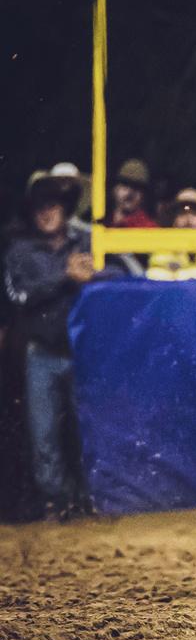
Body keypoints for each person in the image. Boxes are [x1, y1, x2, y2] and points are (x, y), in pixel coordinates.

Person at [4, 170, 94, 518]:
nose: (46, 212)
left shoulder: (86, 242)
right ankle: (57, 503)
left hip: (82, 355)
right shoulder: (19, 251)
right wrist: (65, 277)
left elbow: (118, 273)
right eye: (40, 206)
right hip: (40, 353)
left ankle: (89, 500)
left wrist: (93, 276)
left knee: (87, 431)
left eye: (53, 205)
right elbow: (20, 295)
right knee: (44, 437)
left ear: (65, 208)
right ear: (32, 212)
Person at [107, 158, 158, 228]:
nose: (130, 192)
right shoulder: (101, 221)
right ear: (114, 189)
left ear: (144, 196)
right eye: (125, 184)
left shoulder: (149, 228)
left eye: (137, 187)